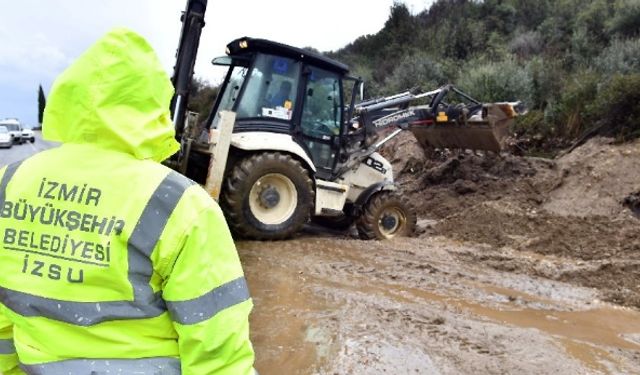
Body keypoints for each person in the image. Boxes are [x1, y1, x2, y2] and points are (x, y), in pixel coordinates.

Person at [0, 29, 255, 375]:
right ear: (152, 106)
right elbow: (218, 352)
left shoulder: (8, 183)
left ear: (69, 97)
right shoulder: (181, 205)